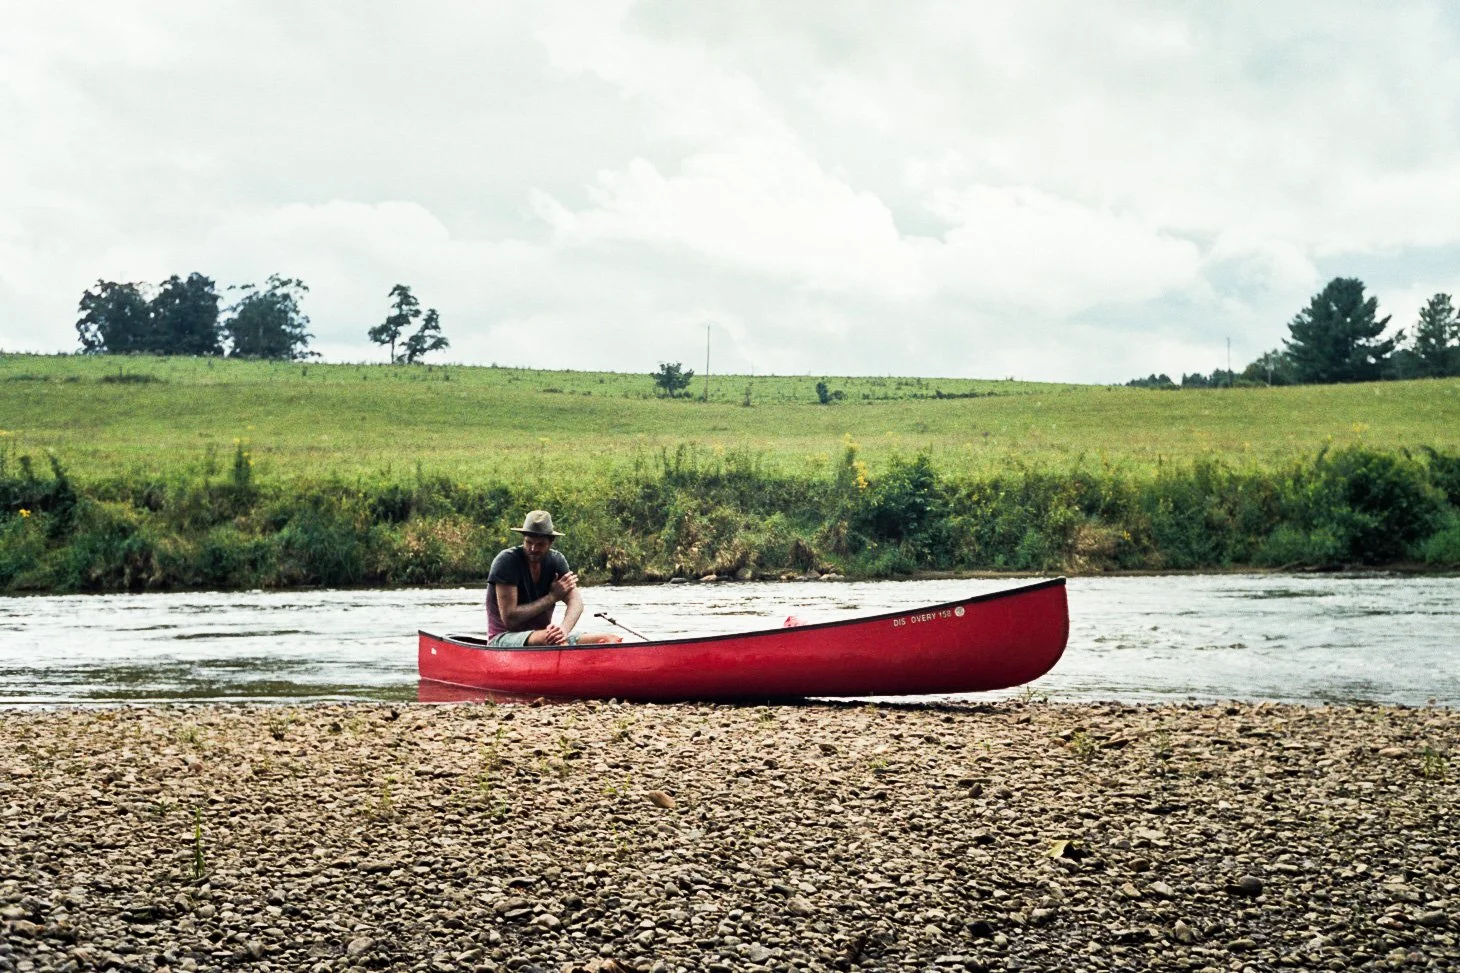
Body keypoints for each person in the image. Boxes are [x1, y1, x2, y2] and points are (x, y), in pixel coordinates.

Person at [485, 510, 621, 646]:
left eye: (540, 544)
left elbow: (576, 603)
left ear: (550, 542)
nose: (533, 549)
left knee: (609, 639)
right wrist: (552, 597)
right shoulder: (507, 561)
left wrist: (563, 630)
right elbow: (510, 619)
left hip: (545, 636)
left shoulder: (556, 560)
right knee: (552, 638)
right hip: (503, 638)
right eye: (528, 542)